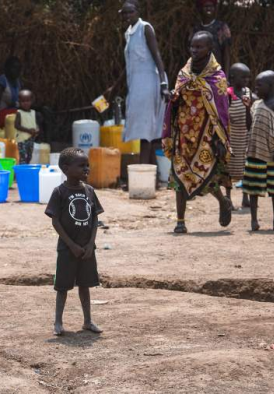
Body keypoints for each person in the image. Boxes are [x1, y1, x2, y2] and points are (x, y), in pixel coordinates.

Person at [162, 31, 232, 234]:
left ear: (209, 49)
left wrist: (220, 139)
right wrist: (174, 98)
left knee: (206, 175)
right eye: (192, 46)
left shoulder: (217, 77)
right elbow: (177, 99)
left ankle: (223, 201)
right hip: (183, 133)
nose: (194, 50)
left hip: (206, 134)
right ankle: (180, 221)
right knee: (179, 175)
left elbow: (221, 111)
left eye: (199, 47)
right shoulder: (185, 72)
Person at [45, 148, 104, 336]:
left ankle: (87, 321)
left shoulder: (89, 191)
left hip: (86, 249)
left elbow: (95, 219)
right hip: (67, 249)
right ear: (66, 168)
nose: (86, 169)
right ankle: (58, 322)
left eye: (87, 165)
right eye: (81, 166)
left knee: (85, 286)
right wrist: (71, 245)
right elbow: (55, 221)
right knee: (62, 287)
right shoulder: (59, 192)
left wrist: (90, 244)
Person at [105, 1, 169, 166]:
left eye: (130, 12)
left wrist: (163, 83)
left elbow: (157, 55)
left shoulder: (145, 28)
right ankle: (151, 177)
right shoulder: (128, 33)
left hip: (150, 83)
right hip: (137, 86)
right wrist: (115, 85)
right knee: (145, 131)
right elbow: (130, 65)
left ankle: (142, 176)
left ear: (137, 11)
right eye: (124, 13)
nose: (127, 16)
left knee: (145, 131)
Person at [243, 70, 274, 231]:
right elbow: (249, 126)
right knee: (253, 188)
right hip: (254, 152)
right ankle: (254, 220)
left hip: (272, 153)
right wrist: (246, 108)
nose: (255, 88)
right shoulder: (256, 104)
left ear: (270, 87)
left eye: (259, 85)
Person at [226, 63, 254, 209]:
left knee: (245, 167)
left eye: (248, 77)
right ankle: (228, 198)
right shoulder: (227, 94)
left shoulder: (247, 93)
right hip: (231, 137)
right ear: (232, 78)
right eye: (243, 77)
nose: (246, 80)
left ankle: (245, 197)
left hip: (245, 135)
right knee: (230, 168)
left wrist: (248, 106)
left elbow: (249, 119)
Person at [190, 0, 231, 76]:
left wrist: (226, 76)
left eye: (211, 6)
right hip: (199, 73)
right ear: (201, 9)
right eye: (206, 6)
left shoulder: (221, 28)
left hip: (216, 72)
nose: (208, 9)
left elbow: (226, 54)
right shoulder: (196, 28)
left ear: (215, 8)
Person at [0, 56, 22, 130]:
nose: (16, 71)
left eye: (18, 69)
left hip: (12, 113)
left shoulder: (17, 82)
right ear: (7, 68)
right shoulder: (2, 81)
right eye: (13, 68)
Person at [14, 89, 43, 164]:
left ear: (31, 101)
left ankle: (26, 169)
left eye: (27, 101)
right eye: (23, 101)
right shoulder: (19, 113)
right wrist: (28, 130)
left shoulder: (33, 112)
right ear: (19, 102)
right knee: (23, 156)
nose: (25, 103)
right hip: (22, 140)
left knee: (29, 156)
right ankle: (21, 172)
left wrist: (37, 130)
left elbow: (35, 123)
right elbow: (16, 125)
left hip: (31, 138)